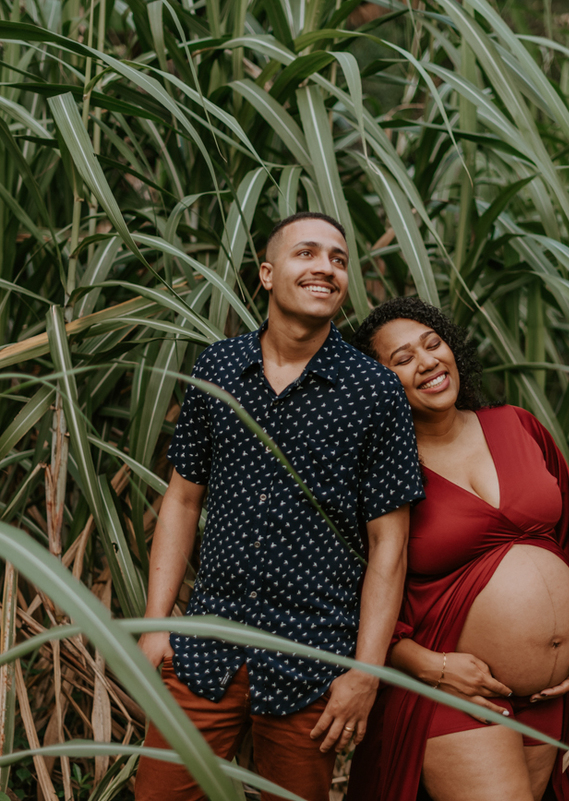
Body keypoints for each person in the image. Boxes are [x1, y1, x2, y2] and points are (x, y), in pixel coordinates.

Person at [131, 213, 425, 801]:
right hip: (203, 648)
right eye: (307, 254)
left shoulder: (374, 390)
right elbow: (183, 499)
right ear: (267, 274)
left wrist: (364, 674)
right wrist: (156, 625)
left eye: (338, 260)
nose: (325, 268)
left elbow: (388, 546)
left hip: (311, 659)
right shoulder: (218, 368)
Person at [346, 297, 569, 801]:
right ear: (376, 382)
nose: (426, 361)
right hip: (452, 689)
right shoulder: (382, 470)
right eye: (401, 359)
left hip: (545, 695)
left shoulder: (517, 424)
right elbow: (360, 589)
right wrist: (434, 668)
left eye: (432, 344)